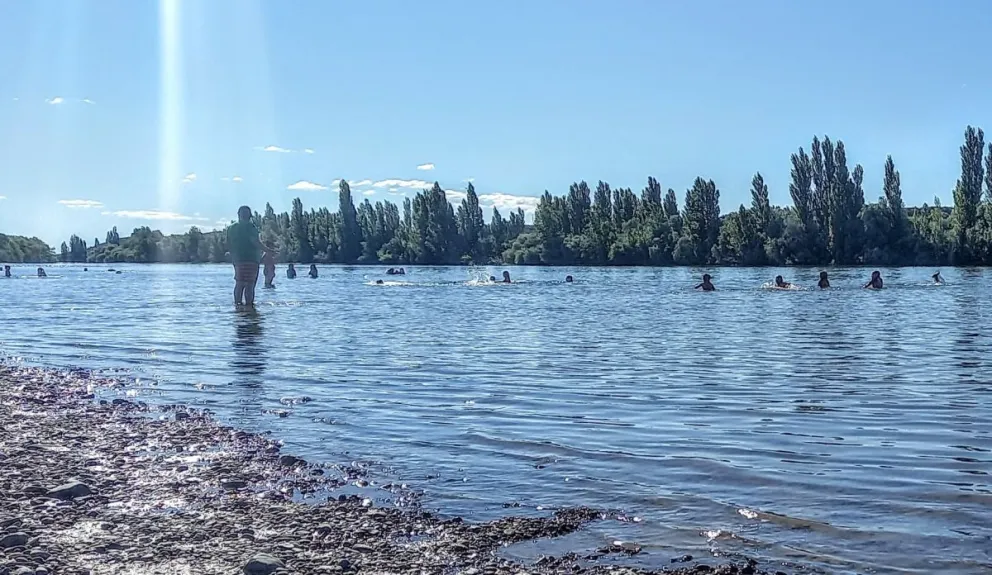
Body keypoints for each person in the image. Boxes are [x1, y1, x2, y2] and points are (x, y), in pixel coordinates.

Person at [228, 205, 272, 307]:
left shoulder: (231, 228)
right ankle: (249, 306)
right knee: (250, 284)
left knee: (239, 283)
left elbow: (229, 244)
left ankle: (237, 306)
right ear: (249, 215)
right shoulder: (251, 227)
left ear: (239, 215)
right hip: (251, 259)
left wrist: (233, 257)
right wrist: (268, 250)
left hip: (237, 260)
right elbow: (255, 242)